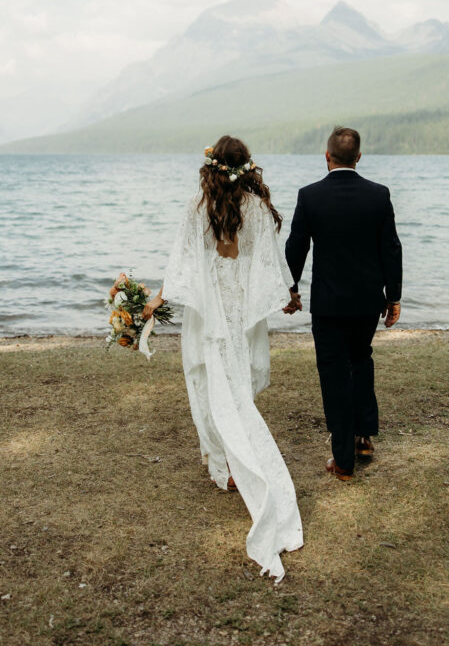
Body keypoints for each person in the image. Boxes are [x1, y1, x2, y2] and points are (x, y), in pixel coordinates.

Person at [142, 135, 303, 581]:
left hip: (210, 313)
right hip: (241, 312)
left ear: (212, 166)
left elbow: (182, 268)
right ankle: (233, 462)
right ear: (246, 167)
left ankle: (228, 466)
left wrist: (155, 302)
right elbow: (270, 264)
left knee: (208, 382)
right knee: (239, 387)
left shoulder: (198, 208)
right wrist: (287, 295)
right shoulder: (256, 209)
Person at [284, 126, 402, 481]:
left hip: (329, 304)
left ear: (327, 156)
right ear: (359, 157)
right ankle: (363, 437)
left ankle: (344, 461)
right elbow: (391, 249)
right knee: (361, 360)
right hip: (367, 302)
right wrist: (393, 296)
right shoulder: (378, 195)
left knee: (335, 375)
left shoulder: (310, 196)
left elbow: (296, 247)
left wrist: (289, 289)